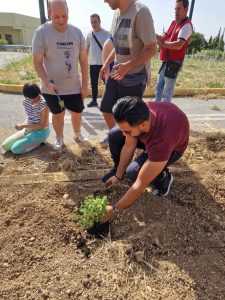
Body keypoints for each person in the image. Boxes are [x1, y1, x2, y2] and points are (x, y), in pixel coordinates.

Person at [101, 96, 189, 222]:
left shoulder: (162, 140)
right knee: (114, 135)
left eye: (127, 131)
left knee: (134, 172)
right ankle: (119, 169)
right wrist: (118, 175)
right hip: (149, 134)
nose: (125, 134)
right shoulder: (138, 114)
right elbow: (129, 145)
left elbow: (140, 185)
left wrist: (114, 209)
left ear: (143, 124)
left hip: (172, 148)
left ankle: (163, 177)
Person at [32, 0, 88, 151]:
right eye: (56, 17)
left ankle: (77, 133)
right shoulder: (41, 33)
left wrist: (84, 85)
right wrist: (47, 83)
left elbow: (83, 62)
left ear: (68, 12)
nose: (61, 20)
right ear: (49, 14)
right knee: (58, 115)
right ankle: (59, 138)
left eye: (64, 15)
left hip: (74, 86)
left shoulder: (77, 33)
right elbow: (37, 62)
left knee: (77, 113)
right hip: (52, 88)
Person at [100, 0, 157, 131]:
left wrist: (129, 65)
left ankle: (129, 143)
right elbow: (119, 45)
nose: (104, 1)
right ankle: (118, 137)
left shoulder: (141, 12)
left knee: (129, 119)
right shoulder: (116, 13)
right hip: (117, 71)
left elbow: (152, 49)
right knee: (106, 109)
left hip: (134, 78)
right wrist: (106, 63)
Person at [155, 0, 193, 102]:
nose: (176, 11)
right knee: (159, 87)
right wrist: (154, 35)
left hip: (174, 63)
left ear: (186, 9)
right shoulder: (174, 23)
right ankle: (157, 111)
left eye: (178, 9)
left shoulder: (187, 25)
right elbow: (164, 36)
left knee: (166, 92)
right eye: (175, 9)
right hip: (166, 61)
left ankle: (164, 115)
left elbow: (178, 45)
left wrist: (162, 43)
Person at [1, 83, 50, 155]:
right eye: (30, 98)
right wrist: (22, 125)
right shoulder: (26, 101)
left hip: (41, 132)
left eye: (35, 98)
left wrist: (24, 126)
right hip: (28, 130)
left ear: (38, 93)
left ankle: (38, 143)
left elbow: (42, 126)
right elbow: (30, 117)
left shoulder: (44, 104)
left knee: (15, 149)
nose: (33, 101)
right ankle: (30, 140)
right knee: (5, 146)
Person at [86, 14, 109, 107]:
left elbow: (111, 49)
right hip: (92, 64)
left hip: (104, 64)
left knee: (107, 83)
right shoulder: (89, 35)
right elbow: (86, 48)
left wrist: (108, 63)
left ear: (99, 22)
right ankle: (94, 100)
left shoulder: (106, 33)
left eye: (95, 22)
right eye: (92, 22)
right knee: (93, 83)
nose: (93, 24)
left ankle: (108, 100)